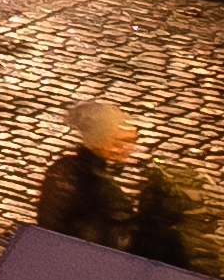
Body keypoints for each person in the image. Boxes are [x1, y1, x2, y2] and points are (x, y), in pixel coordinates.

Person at [32, 100, 194, 268]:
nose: (132, 146)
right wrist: (152, 219)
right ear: (108, 143)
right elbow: (118, 246)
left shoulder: (63, 167)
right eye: (126, 140)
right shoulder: (103, 189)